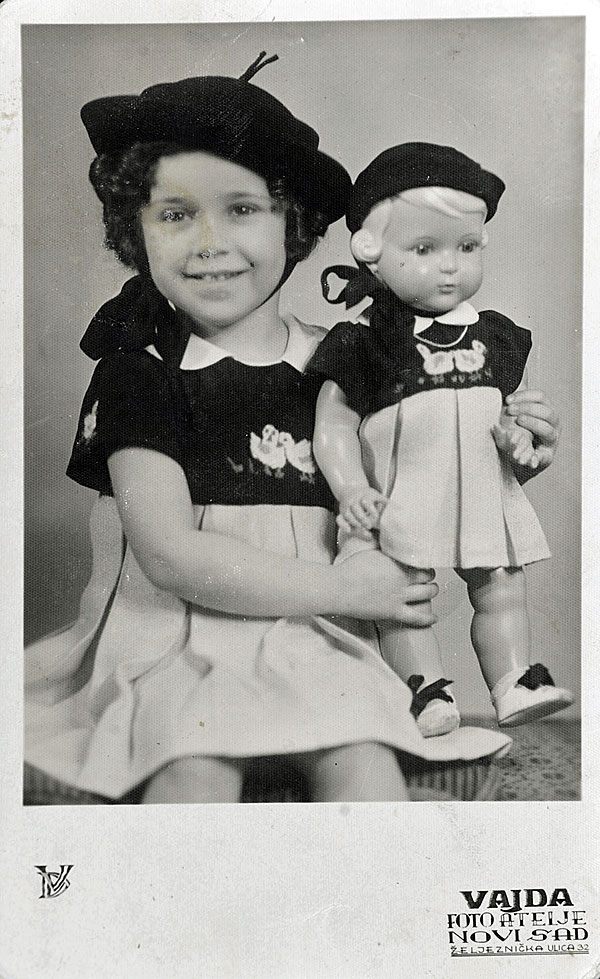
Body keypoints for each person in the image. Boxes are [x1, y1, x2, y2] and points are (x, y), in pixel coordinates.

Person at [25, 65, 520, 804]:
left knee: (363, 764)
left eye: (242, 209)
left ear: (293, 224)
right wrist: (347, 586)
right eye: (175, 214)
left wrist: (505, 453)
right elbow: (170, 554)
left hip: (321, 639)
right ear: (136, 229)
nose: (209, 242)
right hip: (174, 641)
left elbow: (417, 472)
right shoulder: (142, 372)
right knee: (192, 765)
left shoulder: (343, 360)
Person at [310, 142, 572, 738]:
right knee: (405, 593)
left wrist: (521, 437)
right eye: (425, 249)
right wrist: (350, 489)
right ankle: (424, 690)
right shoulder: (365, 340)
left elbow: (508, 412)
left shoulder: (497, 336)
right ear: (370, 251)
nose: (450, 267)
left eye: (467, 247)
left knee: (501, 584)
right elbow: (334, 425)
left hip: (482, 487)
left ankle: (514, 678)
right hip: (403, 489)